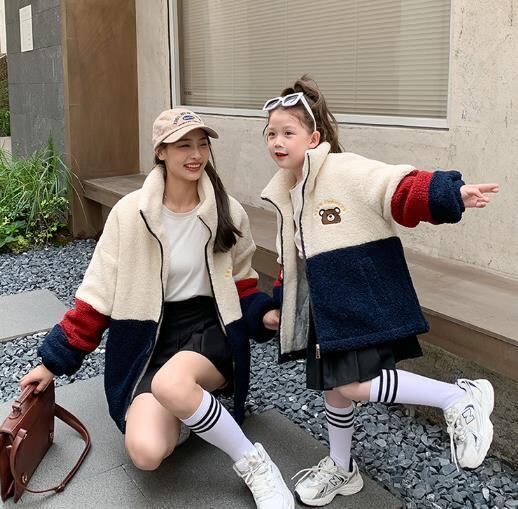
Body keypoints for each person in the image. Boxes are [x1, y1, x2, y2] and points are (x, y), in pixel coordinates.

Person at [21, 108, 294, 509]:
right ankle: (195, 409)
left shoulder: (227, 210)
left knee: (171, 384)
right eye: (183, 145)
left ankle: (255, 464)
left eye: (202, 144)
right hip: (150, 338)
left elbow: (242, 287)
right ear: (161, 152)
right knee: (147, 453)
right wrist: (51, 363)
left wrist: (265, 316)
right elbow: (97, 299)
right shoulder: (130, 214)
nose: (195, 154)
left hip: (209, 329)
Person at [260, 75, 499, 507]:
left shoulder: (344, 169)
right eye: (271, 133)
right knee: (334, 388)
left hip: (358, 302)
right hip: (326, 308)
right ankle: (342, 467)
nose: (277, 141)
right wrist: (283, 304)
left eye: (287, 132)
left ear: (313, 138)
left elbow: (397, 187)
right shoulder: (286, 189)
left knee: (353, 385)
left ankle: (459, 397)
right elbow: (292, 256)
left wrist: (450, 194)